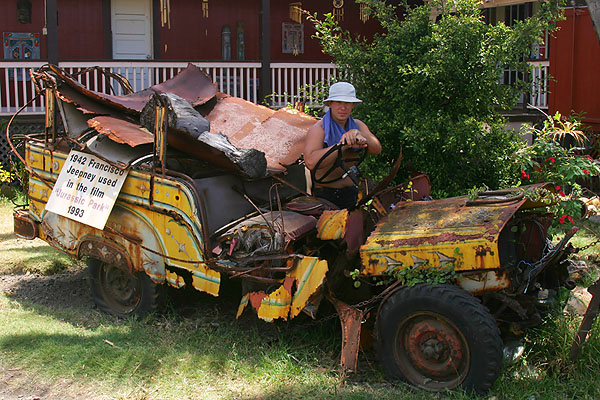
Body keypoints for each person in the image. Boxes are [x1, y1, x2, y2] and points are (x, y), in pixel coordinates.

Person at [304, 82, 381, 208]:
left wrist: (358, 134)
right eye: (339, 102)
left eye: (347, 103)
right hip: (325, 196)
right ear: (331, 104)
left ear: (353, 105)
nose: (343, 108)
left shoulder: (358, 125)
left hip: (351, 192)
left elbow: (376, 148)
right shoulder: (319, 129)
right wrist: (342, 145)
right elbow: (311, 162)